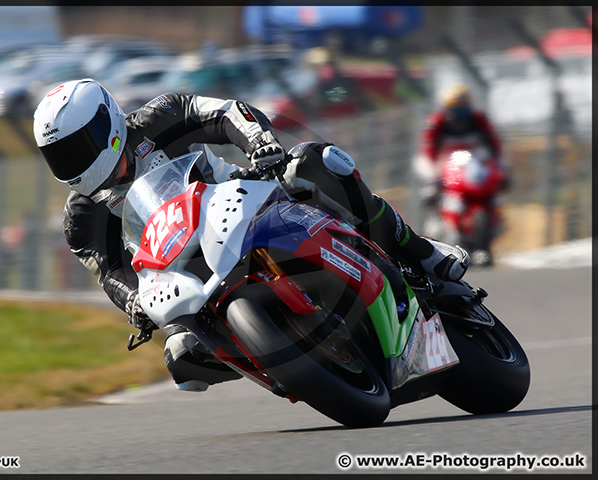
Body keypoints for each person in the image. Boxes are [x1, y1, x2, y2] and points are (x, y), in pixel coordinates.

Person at [33, 78, 469, 393]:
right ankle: (287, 362)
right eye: (59, 157)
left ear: (106, 122)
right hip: (183, 272)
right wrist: (135, 303)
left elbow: (224, 114)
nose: (72, 163)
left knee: (316, 162)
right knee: (182, 357)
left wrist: (261, 143)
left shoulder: (160, 116)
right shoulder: (82, 216)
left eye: (77, 146)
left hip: (248, 203)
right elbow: (111, 271)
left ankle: (421, 250)